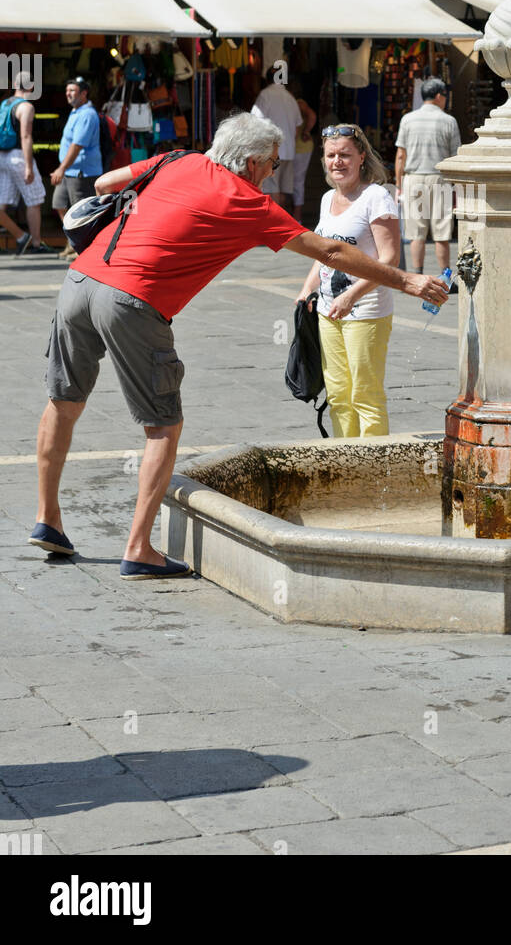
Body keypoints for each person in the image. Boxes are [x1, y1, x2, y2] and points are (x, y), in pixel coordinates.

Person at [29, 113, 447, 575]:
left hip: (80, 279)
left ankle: (47, 519)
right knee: (163, 427)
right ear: (250, 163)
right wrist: (406, 279)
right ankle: (139, 549)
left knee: (63, 400)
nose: (272, 173)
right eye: (270, 164)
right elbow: (329, 251)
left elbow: (106, 182)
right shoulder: (245, 201)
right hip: (132, 299)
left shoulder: (177, 158)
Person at [298, 123, 402, 437]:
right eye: (331, 155)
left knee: (365, 395)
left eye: (345, 154)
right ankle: (345, 461)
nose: (337, 162)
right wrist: (306, 291)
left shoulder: (376, 197)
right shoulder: (328, 198)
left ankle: (374, 471)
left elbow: (390, 259)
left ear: (361, 157)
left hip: (366, 310)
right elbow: (324, 254)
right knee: (339, 395)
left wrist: (352, 296)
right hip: (329, 310)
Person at [394, 77, 461, 274]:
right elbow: (454, 158)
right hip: (440, 179)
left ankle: (417, 274)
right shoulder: (449, 121)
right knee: (441, 233)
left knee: (416, 233)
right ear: (439, 96)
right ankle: (445, 276)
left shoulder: (407, 119)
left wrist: (398, 184)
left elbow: (400, 156)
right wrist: (456, 187)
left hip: (413, 179)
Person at [0, 72, 52, 255]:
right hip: (18, 156)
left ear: (15, 84)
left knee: (1, 204)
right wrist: (29, 166)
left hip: (2, 157)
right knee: (34, 200)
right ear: (31, 87)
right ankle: (36, 243)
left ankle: (21, 236)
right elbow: (26, 136)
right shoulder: (26, 107)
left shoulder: (4, 104)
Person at [51, 76, 102, 260]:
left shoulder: (87, 114)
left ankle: (83, 249)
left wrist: (61, 168)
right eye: (67, 91)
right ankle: (72, 243)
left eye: (72, 91)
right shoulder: (76, 112)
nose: (68, 94)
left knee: (81, 212)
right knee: (59, 204)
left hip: (81, 171)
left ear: (84, 93)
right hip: (69, 171)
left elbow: (77, 145)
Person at [251, 67, 302, 211]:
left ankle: (276, 226)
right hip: (289, 151)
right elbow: (298, 127)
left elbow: (254, 122)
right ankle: (283, 224)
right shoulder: (290, 98)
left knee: (272, 189)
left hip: (272, 152)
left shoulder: (265, 95)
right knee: (284, 190)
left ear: (266, 79)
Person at [286, 77, 316, 224]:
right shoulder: (293, 103)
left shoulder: (299, 103)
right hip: (296, 148)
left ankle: (297, 217)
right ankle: (294, 215)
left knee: (297, 181)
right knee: (294, 181)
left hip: (301, 147)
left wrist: (306, 132)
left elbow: (312, 116)